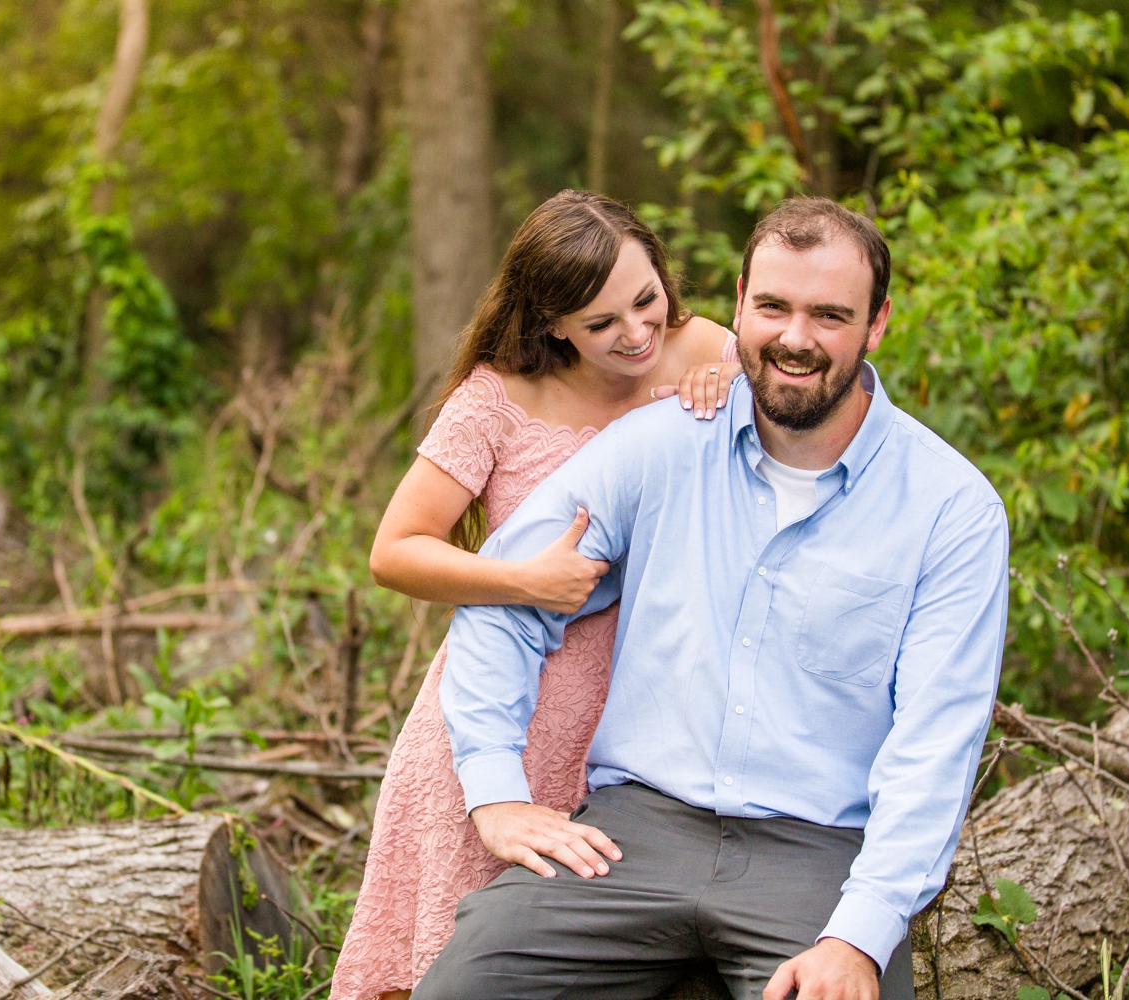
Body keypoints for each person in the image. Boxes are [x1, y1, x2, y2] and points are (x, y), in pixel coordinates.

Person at [413, 197, 1011, 1000]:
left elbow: (935, 744)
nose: (796, 338)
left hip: (817, 859)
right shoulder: (661, 445)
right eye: (773, 307)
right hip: (631, 837)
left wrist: (861, 933)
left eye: (830, 315)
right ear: (738, 305)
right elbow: (507, 597)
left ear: (877, 324)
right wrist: (496, 794)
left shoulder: (951, 509)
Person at [330, 190, 744, 1000]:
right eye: (600, 324)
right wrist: (524, 579)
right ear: (553, 323)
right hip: (503, 722)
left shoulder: (708, 348)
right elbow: (394, 551)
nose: (635, 334)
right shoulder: (497, 398)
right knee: (459, 962)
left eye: (646, 299)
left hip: (647, 729)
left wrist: (726, 388)